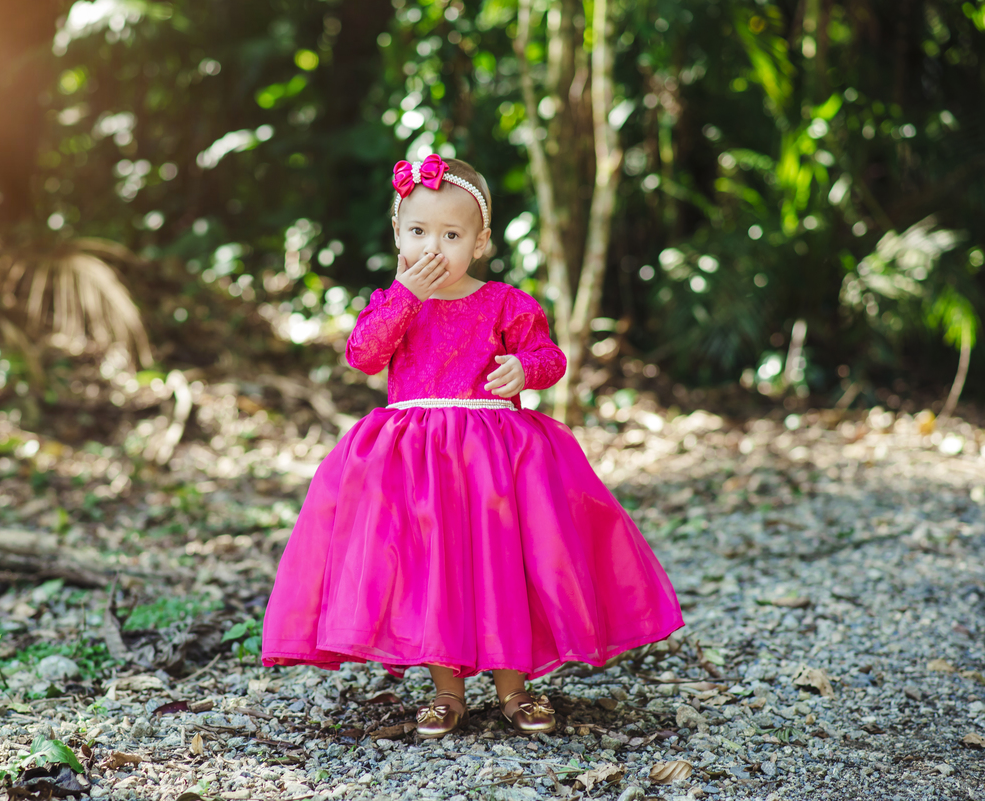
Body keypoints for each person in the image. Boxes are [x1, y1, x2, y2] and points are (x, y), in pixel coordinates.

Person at [261, 153, 684, 738]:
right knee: (435, 567)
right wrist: (404, 295)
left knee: (501, 560)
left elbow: (549, 357)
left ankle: (515, 688)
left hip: (494, 457)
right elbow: (364, 354)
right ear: (397, 234)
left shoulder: (505, 302)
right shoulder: (394, 302)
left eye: (451, 235)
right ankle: (446, 691)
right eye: (418, 232)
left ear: (480, 242)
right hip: (418, 460)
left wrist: (524, 369)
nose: (432, 248)